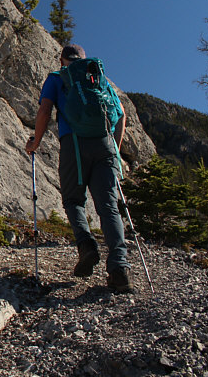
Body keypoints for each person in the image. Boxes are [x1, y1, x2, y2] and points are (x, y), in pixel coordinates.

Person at [25, 44, 133, 293]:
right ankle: (119, 269)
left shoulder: (56, 77)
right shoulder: (98, 79)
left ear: (62, 59)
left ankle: (86, 245)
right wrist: (114, 148)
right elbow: (121, 114)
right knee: (108, 206)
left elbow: (44, 110)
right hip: (105, 146)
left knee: (73, 200)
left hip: (74, 144)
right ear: (84, 60)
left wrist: (36, 142)